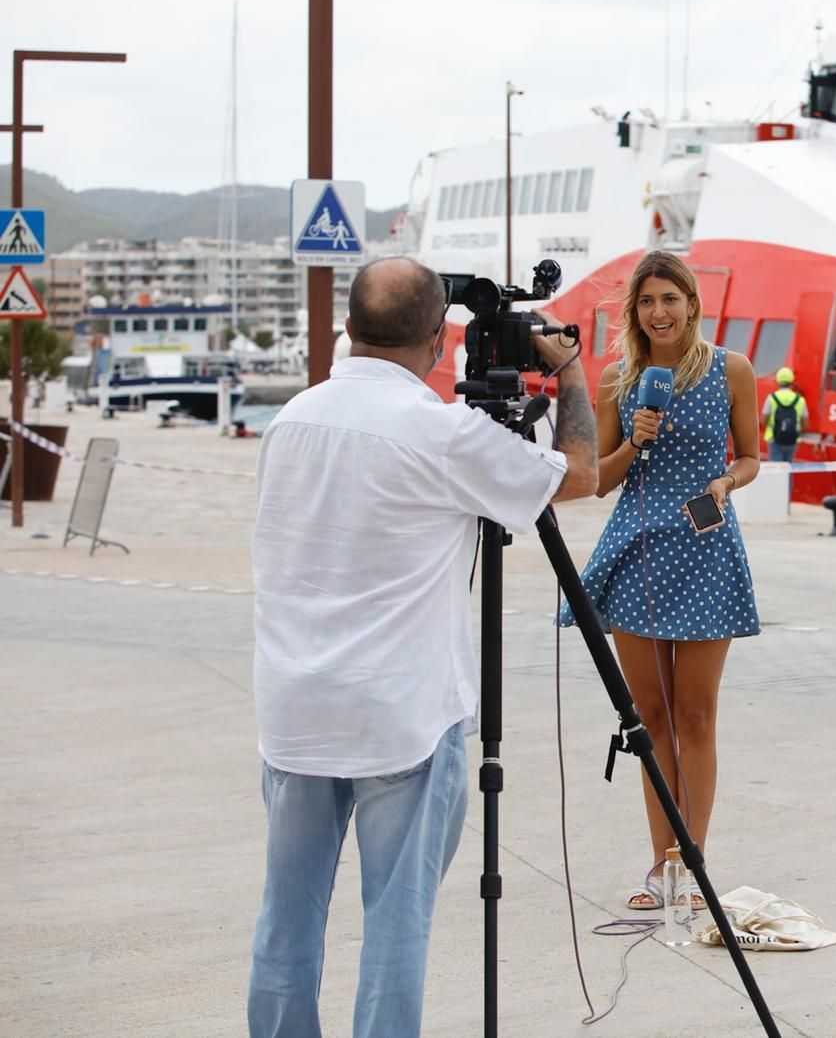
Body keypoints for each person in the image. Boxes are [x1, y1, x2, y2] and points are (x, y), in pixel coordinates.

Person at [247, 256, 598, 1038]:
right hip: (399, 716)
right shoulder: (441, 433)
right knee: (394, 928)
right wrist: (571, 375)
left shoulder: (290, 420)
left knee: (286, 922)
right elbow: (578, 473)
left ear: (348, 326)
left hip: (295, 712)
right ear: (441, 339)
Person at [558, 249, 760, 912]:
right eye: (647, 302)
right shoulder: (620, 379)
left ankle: (692, 865)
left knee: (696, 715)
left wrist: (726, 482)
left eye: (670, 299)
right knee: (649, 718)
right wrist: (634, 440)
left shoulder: (732, 369)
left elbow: (752, 456)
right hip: (638, 551)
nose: (659, 312)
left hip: (705, 549)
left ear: (691, 302)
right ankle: (660, 865)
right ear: (634, 312)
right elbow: (598, 483)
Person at [761, 366, 807, 463]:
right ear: (792, 381)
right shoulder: (800, 400)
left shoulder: (772, 398)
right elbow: (806, 423)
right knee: (789, 469)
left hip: (774, 439)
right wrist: (793, 431)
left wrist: (775, 428)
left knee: (775, 471)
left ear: (778, 381)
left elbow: (763, 420)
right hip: (793, 440)